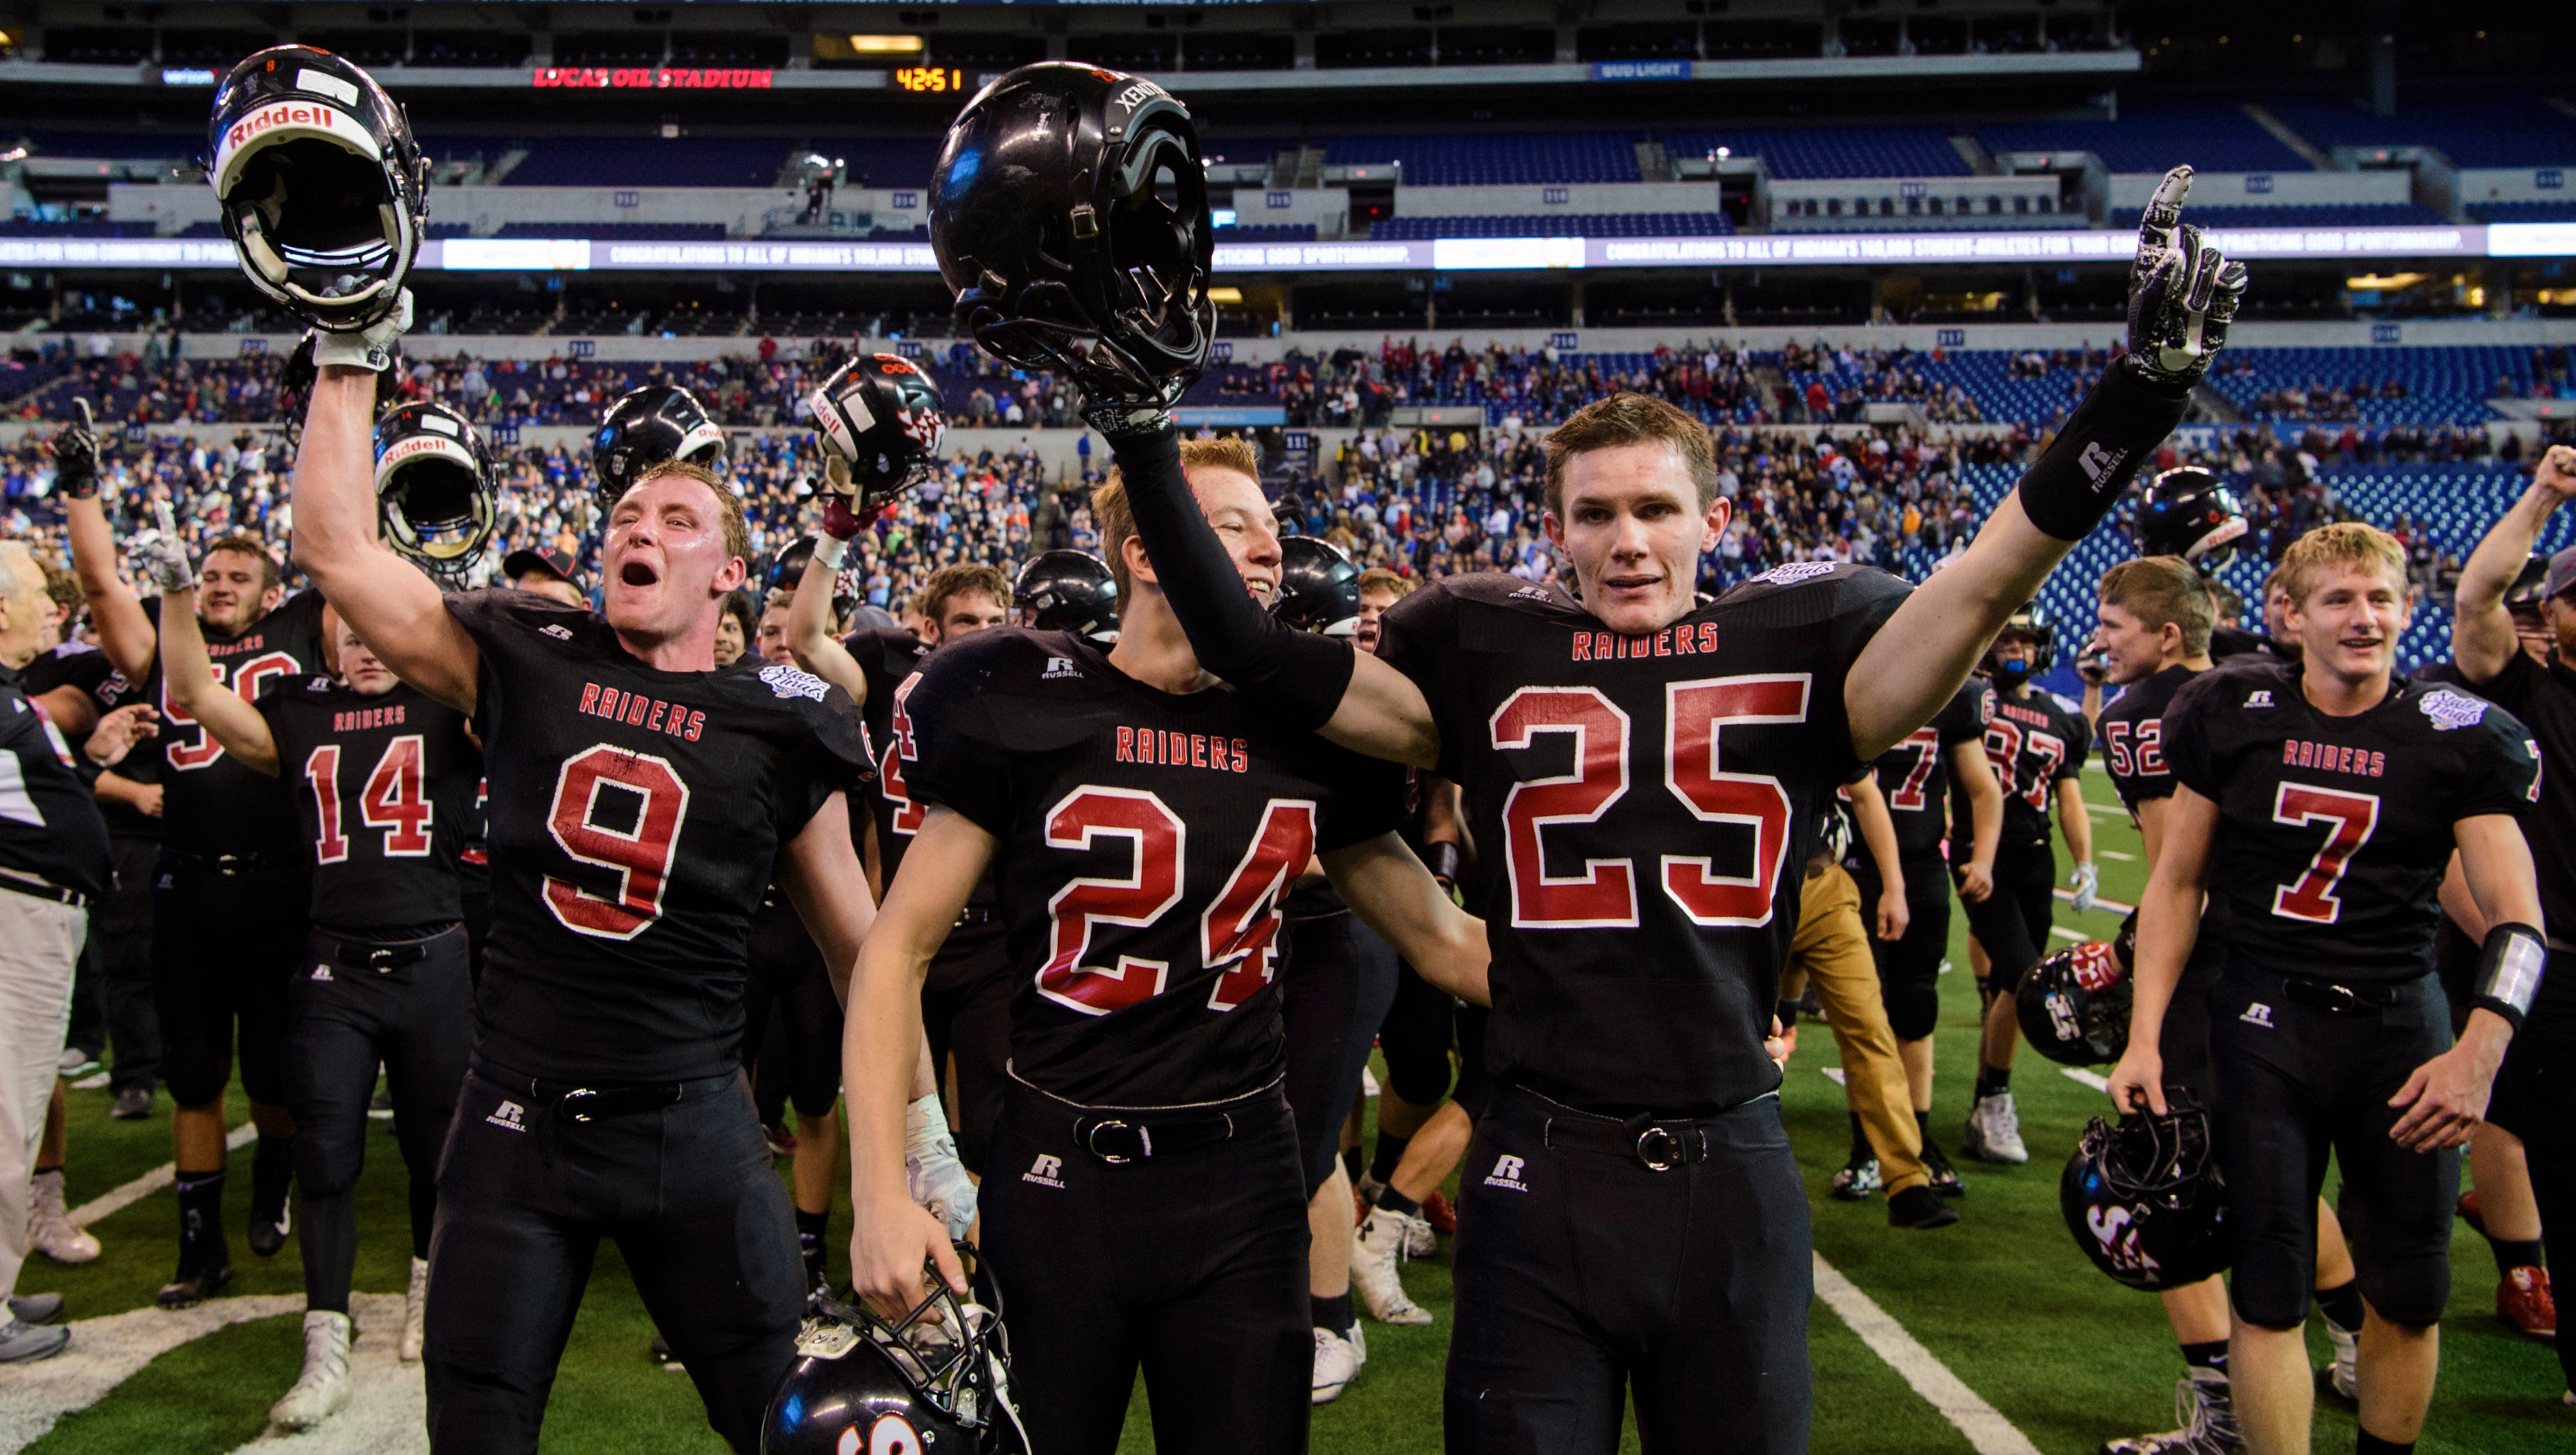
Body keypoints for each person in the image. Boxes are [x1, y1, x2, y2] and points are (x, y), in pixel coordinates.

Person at [281, 300, 954, 1453]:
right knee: (478, 1432)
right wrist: (349, 345)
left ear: (727, 573)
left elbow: (861, 955)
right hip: (516, 1122)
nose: (639, 527)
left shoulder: (780, 717)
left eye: (678, 517)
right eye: (627, 514)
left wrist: (922, 1152)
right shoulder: (525, 654)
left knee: (776, 1423)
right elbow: (337, 550)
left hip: (691, 1128)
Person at [842, 437, 1492, 1455]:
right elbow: (896, 949)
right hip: (1060, 1169)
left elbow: (1444, 941)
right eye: (1232, 527)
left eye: (1273, 533)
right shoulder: (1018, 692)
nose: (1270, 552)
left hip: (1243, 1175)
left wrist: (1661, 977)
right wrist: (883, 1188)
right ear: (1147, 551)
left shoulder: (1306, 726)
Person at [2110, 522, 2546, 1455]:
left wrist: (2480, 1050)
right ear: (2292, 613)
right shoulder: (2232, 711)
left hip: (2400, 1029)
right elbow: (2176, 883)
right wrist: (2144, 1036)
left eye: (2380, 598)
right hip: (2263, 1021)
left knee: (2410, 1290)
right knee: (2268, 1282)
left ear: (2408, 609)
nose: (2363, 617)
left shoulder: (2456, 734)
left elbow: (2518, 921)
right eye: (2339, 599)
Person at [151, 543, 479, 1430]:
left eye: (383, 629)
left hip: (433, 957)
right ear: (328, 635)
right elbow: (195, 692)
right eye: (352, 629)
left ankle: (427, 1287)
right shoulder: (301, 709)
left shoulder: (454, 704)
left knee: (435, 1150)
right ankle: (324, 1338)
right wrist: (177, 592)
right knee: (325, 1153)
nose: (368, 644)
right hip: (337, 964)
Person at [2089, 554, 2364, 1455]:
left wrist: (2135, 960)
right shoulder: (2262, 682)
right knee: (2279, 1173)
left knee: (2164, 1179)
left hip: (2205, 964)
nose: (2100, 642)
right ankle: (2356, 1341)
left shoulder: (2143, 712)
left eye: (2114, 627)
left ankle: (2223, 1412)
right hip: (2289, 955)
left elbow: (2180, 869)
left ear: (2166, 634)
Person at [59, 401, 332, 1307]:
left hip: (280, 882)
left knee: (275, 1073)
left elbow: (344, 553)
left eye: (237, 575)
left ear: (270, 590)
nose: (218, 585)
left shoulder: (299, 629)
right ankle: (199, 1246)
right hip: (188, 884)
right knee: (193, 1074)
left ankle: (272, 1183)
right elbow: (101, 587)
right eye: (210, 573)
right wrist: (82, 489)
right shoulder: (169, 635)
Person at [785, 550, 1015, 1186]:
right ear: (932, 629)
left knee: (993, 1127)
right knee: (908, 1128)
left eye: (995, 620)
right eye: (967, 620)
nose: (985, 632)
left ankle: (986, 1245)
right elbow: (805, 639)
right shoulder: (890, 670)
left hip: (991, 939)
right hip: (907, 937)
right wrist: (834, 539)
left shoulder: (1022, 683)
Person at [2447, 443, 2576, 1398]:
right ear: (2554, 613)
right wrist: (2541, 496)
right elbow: (2475, 598)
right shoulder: (2525, 691)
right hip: (2557, 968)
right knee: (2559, 1160)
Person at [0, 539, 114, 1363]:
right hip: (18, 918)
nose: (52, 605)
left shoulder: (11, 692)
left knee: (19, 1103)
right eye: (38, 591)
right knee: (8, 1111)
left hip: (35, 913)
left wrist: (94, 758)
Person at [1844, 671, 1998, 1200]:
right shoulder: (1852, 683)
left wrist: (1983, 859)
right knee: (1864, 1014)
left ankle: (1919, 1141)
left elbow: (1983, 788)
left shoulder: (1950, 692)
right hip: (1854, 867)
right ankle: (1867, 1148)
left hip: (1923, 866)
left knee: (1916, 1006)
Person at [1958, 608, 2095, 1166]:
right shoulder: (1970, 697)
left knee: (2009, 987)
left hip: (2035, 857)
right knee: (2022, 976)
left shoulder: (2060, 715)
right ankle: (1993, 1099)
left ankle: (1985, 1103)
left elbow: (2069, 797)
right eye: (2006, 638)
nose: (2015, 648)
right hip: (1980, 856)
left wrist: (2085, 862)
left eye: (2024, 640)